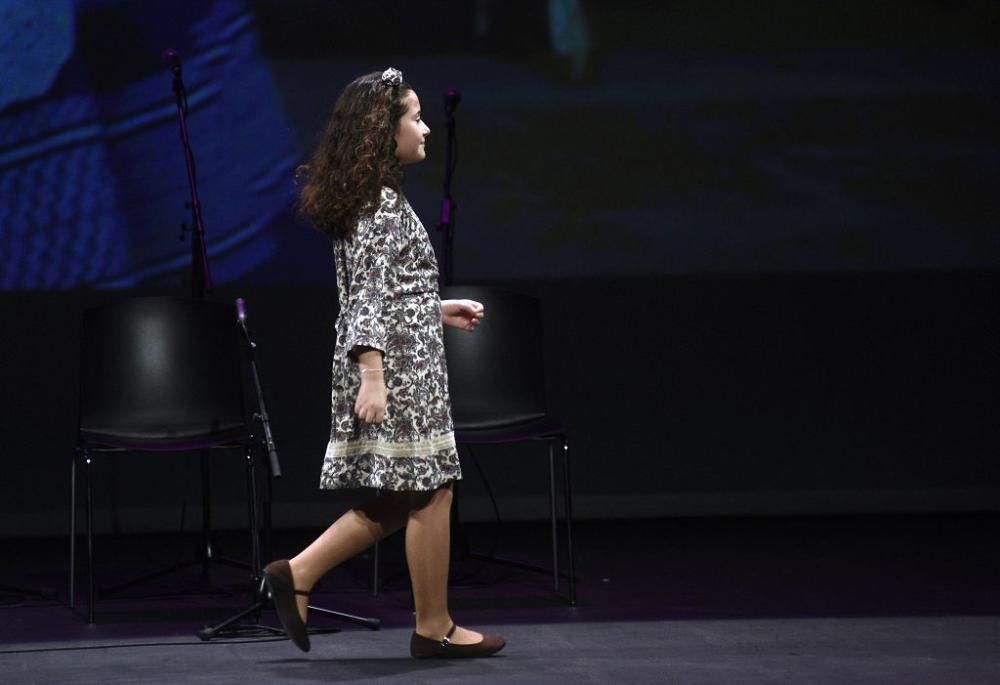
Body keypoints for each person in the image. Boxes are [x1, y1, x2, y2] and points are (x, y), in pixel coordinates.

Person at [261, 67, 505, 659]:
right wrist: (372, 376)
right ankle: (434, 626)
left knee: (412, 493)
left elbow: (386, 290)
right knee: (432, 489)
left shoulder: (378, 200)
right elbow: (363, 301)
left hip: (408, 359)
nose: (425, 129)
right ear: (381, 130)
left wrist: (433, 308)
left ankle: (298, 574)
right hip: (397, 372)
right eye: (414, 118)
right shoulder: (377, 206)